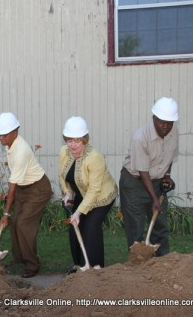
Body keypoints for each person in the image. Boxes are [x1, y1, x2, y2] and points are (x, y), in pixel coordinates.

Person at [0, 112, 53, 278]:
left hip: (38, 189)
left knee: (23, 224)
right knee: (15, 223)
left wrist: (5, 213)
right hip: (24, 187)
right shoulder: (11, 144)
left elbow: (12, 187)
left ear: (15, 132)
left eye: (4, 135)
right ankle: (19, 258)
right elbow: (15, 182)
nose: (1, 139)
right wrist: (8, 216)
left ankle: (32, 265)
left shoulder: (21, 151)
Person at [58, 116, 118, 274]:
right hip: (82, 192)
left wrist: (78, 212)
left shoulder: (94, 158)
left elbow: (94, 190)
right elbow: (62, 176)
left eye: (77, 141)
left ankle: (95, 269)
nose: (73, 145)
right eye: (69, 140)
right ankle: (79, 265)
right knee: (74, 227)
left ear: (85, 140)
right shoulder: (64, 152)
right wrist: (68, 192)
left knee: (91, 227)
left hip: (101, 196)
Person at [120, 97, 179, 256]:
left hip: (157, 181)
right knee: (136, 226)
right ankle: (138, 266)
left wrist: (167, 175)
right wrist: (154, 199)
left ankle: (162, 264)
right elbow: (142, 171)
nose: (166, 126)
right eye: (162, 122)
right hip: (134, 183)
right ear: (154, 118)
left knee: (160, 225)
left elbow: (169, 156)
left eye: (169, 122)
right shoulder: (140, 137)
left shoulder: (173, 133)